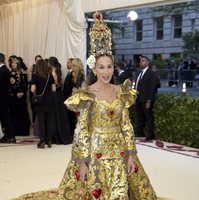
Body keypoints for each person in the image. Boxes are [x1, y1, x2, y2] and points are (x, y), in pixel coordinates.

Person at [14, 12, 168, 200]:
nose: (106, 71)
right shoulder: (86, 95)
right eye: (101, 67)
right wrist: (81, 162)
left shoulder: (122, 92)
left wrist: (130, 154)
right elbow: (82, 131)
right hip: (95, 153)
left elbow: (126, 125)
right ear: (94, 69)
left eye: (109, 66)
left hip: (120, 152)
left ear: (114, 67)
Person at [31, 59, 56, 148]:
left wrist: (36, 93)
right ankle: (49, 140)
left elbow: (32, 89)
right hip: (50, 100)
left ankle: (42, 140)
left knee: (41, 121)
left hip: (40, 100)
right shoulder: (50, 75)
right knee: (49, 121)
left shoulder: (35, 75)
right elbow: (54, 89)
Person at [48, 56, 71, 144]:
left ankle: (56, 135)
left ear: (50, 63)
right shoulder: (58, 71)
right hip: (59, 95)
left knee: (55, 115)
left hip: (55, 95)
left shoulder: (53, 72)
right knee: (60, 115)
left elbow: (54, 85)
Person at [135, 56, 157, 140]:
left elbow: (152, 88)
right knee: (140, 116)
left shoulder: (151, 73)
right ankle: (139, 132)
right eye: (140, 61)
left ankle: (150, 135)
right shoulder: (139, 73)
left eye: (143, 61)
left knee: (149, 117)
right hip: (138, 99)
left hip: (146, 99)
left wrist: (149, 100)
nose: (141, 62)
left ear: (147, 62)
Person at [9, 57, 31, 136]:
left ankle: (24, 131)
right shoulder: (10, 74)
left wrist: (22, 92)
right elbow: (10, 86)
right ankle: (16, 131)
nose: (14, 64)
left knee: (23, 113)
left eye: (15, 63)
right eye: (13, 63)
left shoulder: (22, 73)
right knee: (14, 114)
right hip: (14, 98)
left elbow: (25, 84)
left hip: (22, 97)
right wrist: (16, 93)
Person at [0, 53, 15, 143]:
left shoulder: (3, 70)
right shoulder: (4, 69)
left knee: (5, 116)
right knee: (3, 117)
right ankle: (7, 135)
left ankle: (11, 136)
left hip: (3, 98)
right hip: (3, 97)